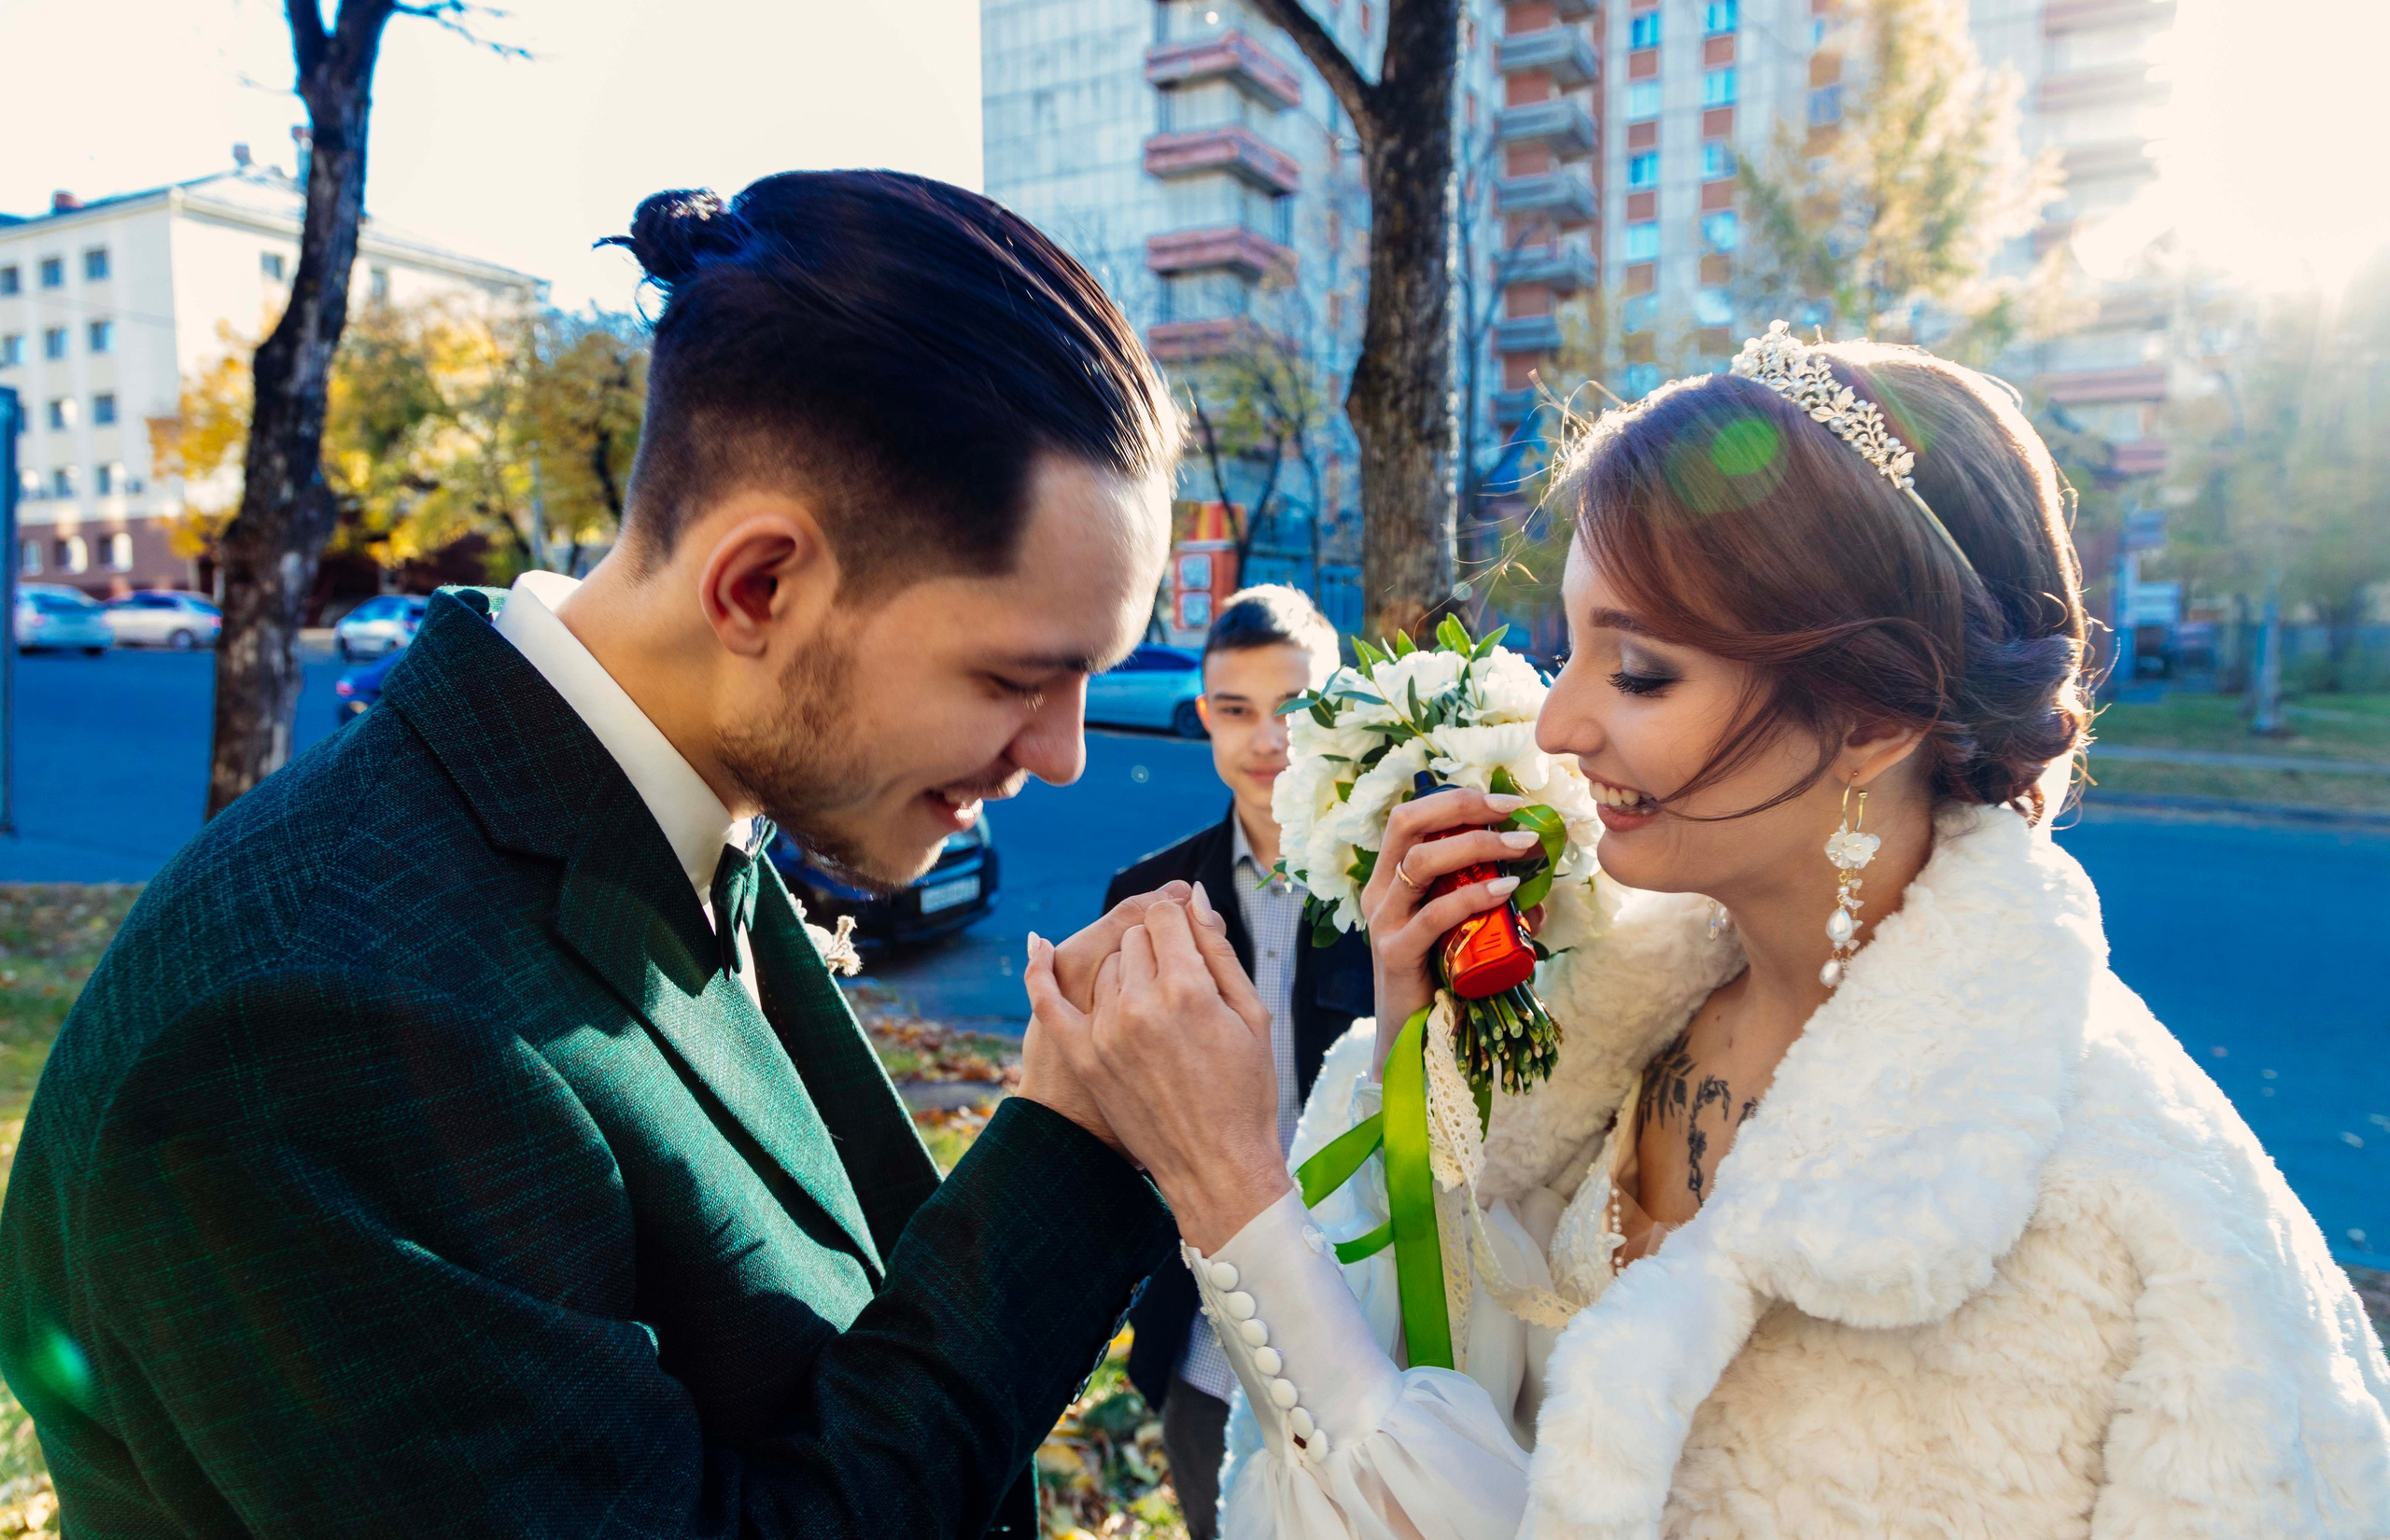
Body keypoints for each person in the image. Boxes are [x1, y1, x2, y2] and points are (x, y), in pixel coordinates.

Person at [0, 172, 1295, 1538]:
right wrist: (1080, 1148)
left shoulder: (646, 808)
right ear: (758, 586)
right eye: (1016, 675)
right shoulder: (308, 1035)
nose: (1066, 754)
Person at [1033, 329, 2390, 1538]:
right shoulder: (1609, 1009)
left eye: (1637, 669)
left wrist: (1232, 1190)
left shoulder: (2152, 1230)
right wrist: (1416, 1049)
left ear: (1873, 713)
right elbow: (1469, 1400)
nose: (1557, 727)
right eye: (1564, 648)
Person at [1100, 585, 1371, 1537]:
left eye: (1296, 707)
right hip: (1212, 1350)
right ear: (1205, 717)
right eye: (1235, 710)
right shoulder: (1143, 899)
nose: (1268, 740)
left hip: (1384, 1333)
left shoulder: (1402, 884)